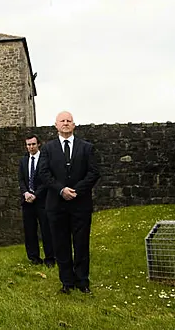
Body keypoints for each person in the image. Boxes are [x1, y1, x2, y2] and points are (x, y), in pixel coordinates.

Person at [38, 111, 100, 294]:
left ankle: (83, 281)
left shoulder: (87, 148)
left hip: (80, 204)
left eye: (69, 121)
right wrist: (60, 190)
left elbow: (94, 173)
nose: (65, 123)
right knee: (61, 243)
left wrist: (76, 190)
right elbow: (44, 173)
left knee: (81, 243)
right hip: (56, 205)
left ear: (74, 125)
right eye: (62, 121)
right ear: (56, 125)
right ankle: (66, 282)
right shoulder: (48, 149)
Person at [18, 135, 54, 268]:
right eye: (28, 145)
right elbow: (21, 179)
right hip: (27, 201)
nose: (31, 147)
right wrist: (26, 193)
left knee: (46, 230)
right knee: (29, 230)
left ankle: (50, 257)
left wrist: (35, 194)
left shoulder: (45, 160)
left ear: (38, 144)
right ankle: (34, 257)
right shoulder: (23, 161)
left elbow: (47, 180)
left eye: (33, 144)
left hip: (42, 201)